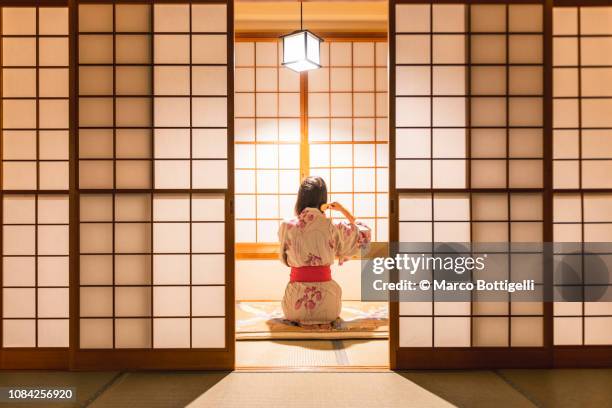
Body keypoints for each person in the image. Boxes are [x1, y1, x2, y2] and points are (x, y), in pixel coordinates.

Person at [278, 176, 371, 328]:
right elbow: (364, 234)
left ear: (300, 199)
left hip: (294, 307)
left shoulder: (287, 225)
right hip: (329, 308)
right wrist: (343, 210)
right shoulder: (333, 226)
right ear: (323, 201)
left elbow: (285, 260)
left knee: (293, 303)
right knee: (330, 301)